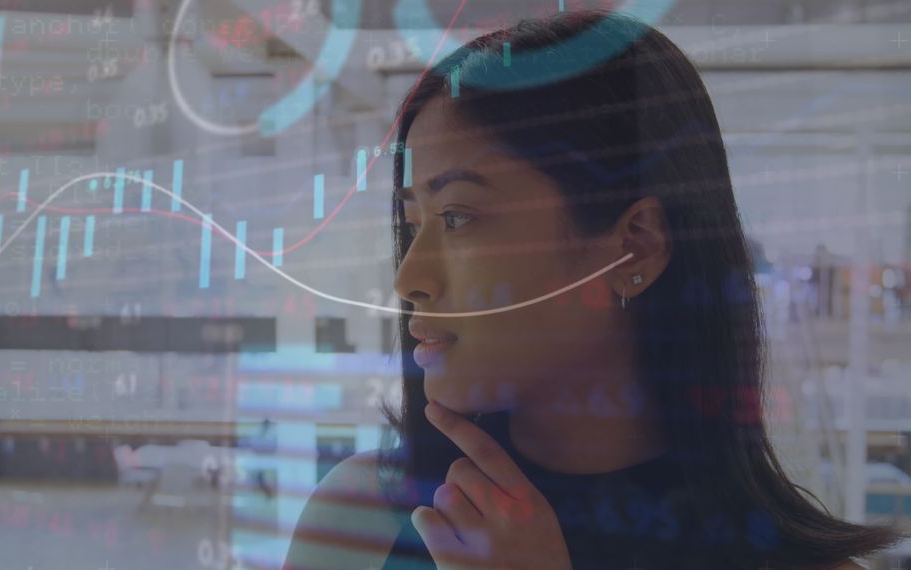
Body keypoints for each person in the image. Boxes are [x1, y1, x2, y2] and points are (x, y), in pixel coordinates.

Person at [285, 9, 906, 570]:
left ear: (635, 244)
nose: (408, 279)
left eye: (457, 217)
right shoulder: (360, 518)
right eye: (412, 222)